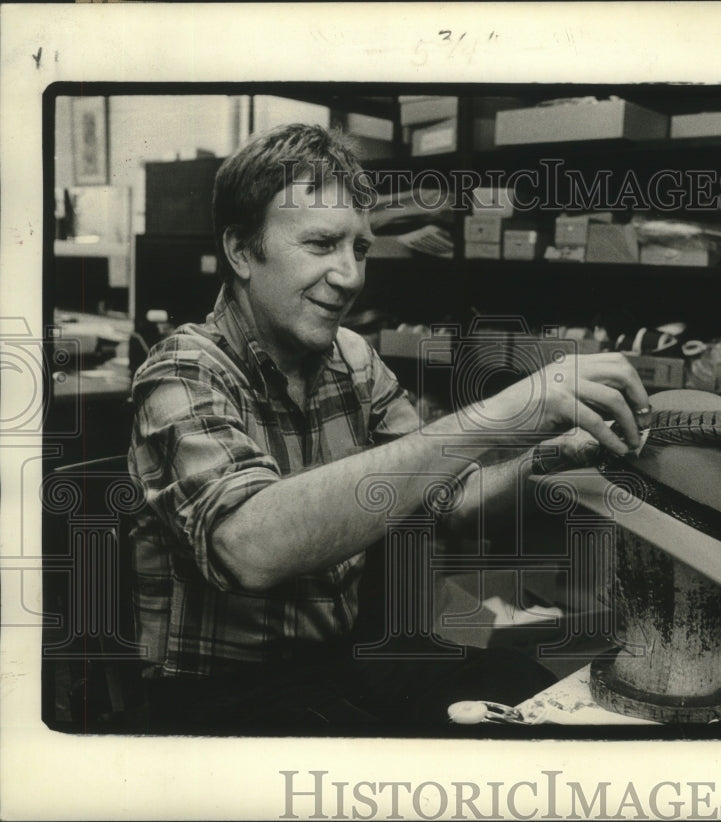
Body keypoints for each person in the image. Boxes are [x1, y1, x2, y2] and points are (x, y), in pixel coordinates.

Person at [128, 123, 651, 733]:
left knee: (520, 690)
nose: (350, 276)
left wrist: (554, 455)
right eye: (322, 245)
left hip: (341, 659)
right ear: (242, 250)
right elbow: (249, 547)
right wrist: (503, 414)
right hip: (224, 695)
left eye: (361, 250)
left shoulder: (352, 358)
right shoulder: (182, 369)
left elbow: (449, 500)